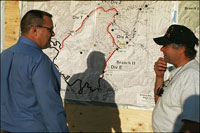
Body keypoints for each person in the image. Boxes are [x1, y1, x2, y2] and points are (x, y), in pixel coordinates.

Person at [1, 10, 68, 132]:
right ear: (35, 29)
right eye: (50, 29)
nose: (53, 34)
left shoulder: (4, 55)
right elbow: (50, 107)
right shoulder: (39, 61)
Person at [152, 24, 199, 132]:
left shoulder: (191, 75)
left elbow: (192, 125)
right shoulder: (179, 72)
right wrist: (159, 77)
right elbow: (160, 103)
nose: (161, 49)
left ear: (182, 48)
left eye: (165, 45)